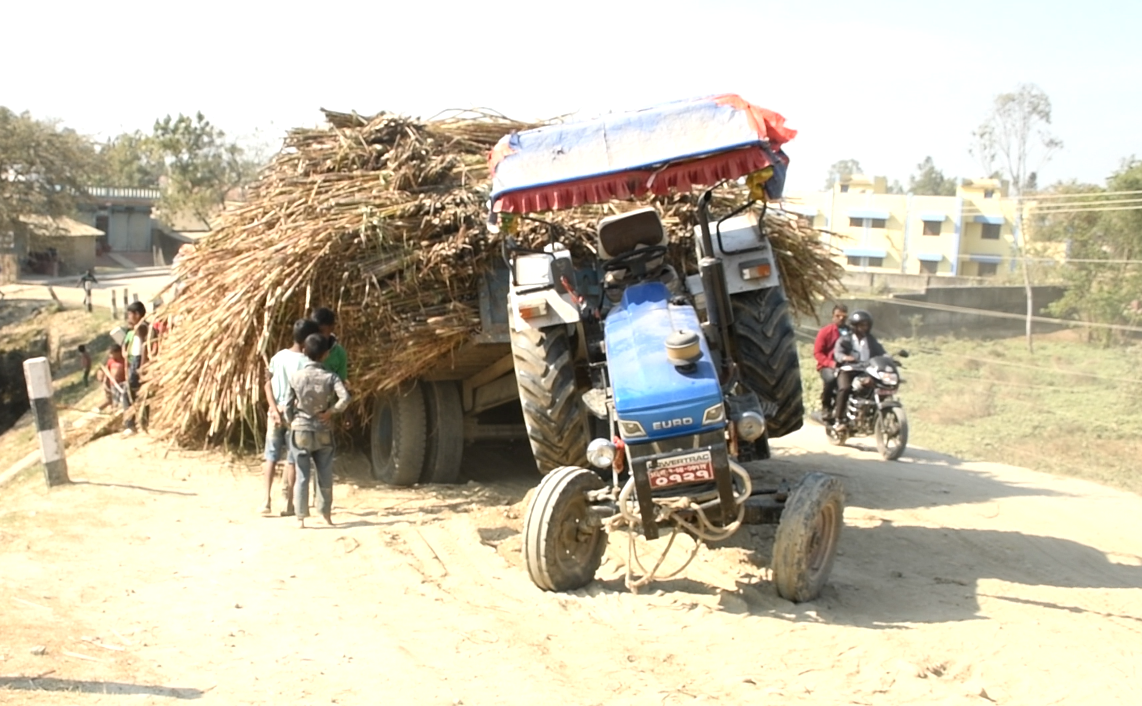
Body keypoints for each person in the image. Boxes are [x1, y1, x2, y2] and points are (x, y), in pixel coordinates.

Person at [286, 333, 351, 528]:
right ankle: (326, 515)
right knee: (324, 473)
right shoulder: (330, 377)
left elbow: (288, 405)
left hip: (301, 429)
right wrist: (331, 411)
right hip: (323, 429)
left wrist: (292, 422)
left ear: (304, 352)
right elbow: (345, 398)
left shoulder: (296, 377)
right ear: (325, 354)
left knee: (302, 474)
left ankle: (300, 518)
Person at [261, 318, 320, 517]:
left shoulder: (278, 357)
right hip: (295, 416)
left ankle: (265, 500)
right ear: (308, 340)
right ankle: (287, 503)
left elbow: (267, 384)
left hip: (274, 412)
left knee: (270, 456)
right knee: (292, 459)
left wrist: (274, 409)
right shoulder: (307, 363)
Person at [832, 310, 887, 431]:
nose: (864, 328)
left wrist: (889, 359)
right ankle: (839, 419)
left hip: (867, 370)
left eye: (866, 325)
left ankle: (875, 416)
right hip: (848, 369)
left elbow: (881, 352)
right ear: (854, 326)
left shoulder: (871, 340)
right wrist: (845, 357)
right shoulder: (845, 339)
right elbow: (838, 353)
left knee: (881, 386)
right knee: (844, 388)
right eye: (861, 325)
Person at [813, 304, 848, 423]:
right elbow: (817, 353)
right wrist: (830, 363)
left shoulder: (851, 332)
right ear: (833, 316)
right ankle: (826, 407)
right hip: (827, 366)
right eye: (838, 316)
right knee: (831, 379)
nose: (841, 318)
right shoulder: (825, 332)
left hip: (847, 365)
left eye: (843, 316)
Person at [121, 302, 150, 437]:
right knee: (141, 393)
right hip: (137, 361)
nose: (128, 317)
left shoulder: (141, 328)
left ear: (137, 314)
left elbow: (145, 346)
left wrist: (142, 365)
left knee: (128, 393)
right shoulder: (141, 327)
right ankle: (143, 423)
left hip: (139, 362)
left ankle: (130, 425)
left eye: (130, 314)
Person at [310, 307, 348, 383]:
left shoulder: (339, 353)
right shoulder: (305, 349)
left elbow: (341, 382)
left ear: (331, 328)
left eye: (321, 331)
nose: (317, 335)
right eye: (314, 331)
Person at [95, 344, 127, 413]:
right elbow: (107, 372)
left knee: (122, 400)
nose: (110, 355)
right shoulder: (110, 361)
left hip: (122, 384)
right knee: (114, 400)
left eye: (112, 354)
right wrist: (105, 382)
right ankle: (114, 411)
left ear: (118, 353)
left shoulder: (124, 361)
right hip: (113, 385)